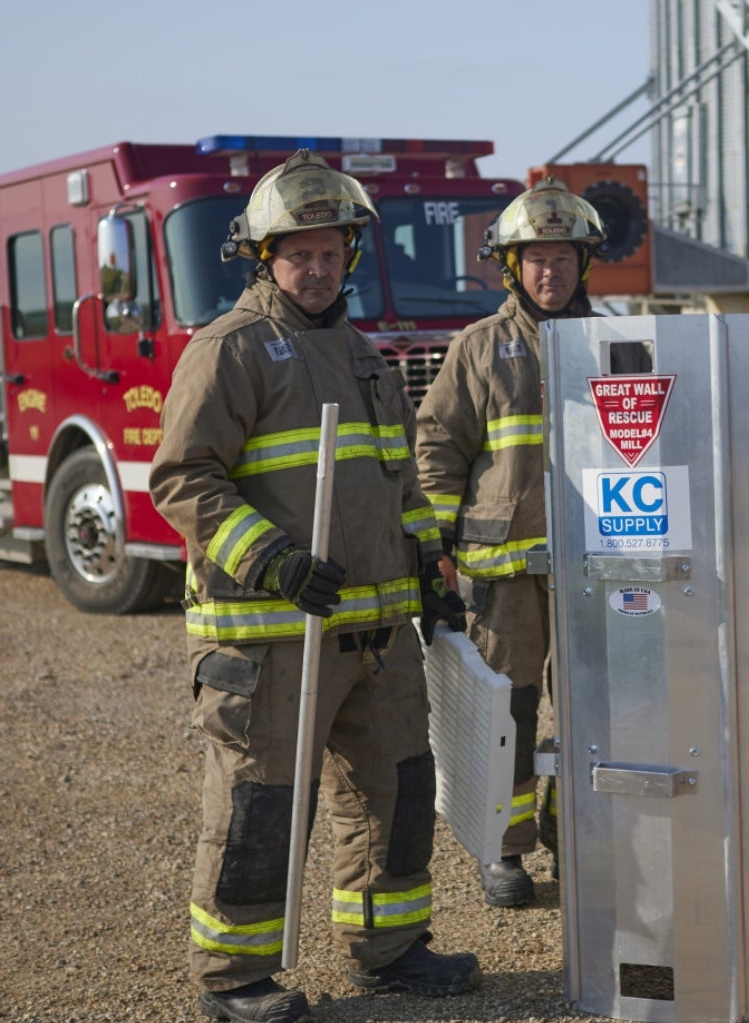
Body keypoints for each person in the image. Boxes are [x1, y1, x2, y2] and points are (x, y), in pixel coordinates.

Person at [151, 149, 476, 1023]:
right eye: (301, 255)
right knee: (261, 803)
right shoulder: (230, 351)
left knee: (394, 791)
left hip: (375, 634)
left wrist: (429, 574)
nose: (320, 269)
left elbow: (399, 482)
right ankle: (235, 977)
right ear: (266, 258)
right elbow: (184, 479)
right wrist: (275, 560)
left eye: (333, 253)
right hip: (270, 637)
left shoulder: (366, 359)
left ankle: (391, 946)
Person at [414, 176, 604, 907]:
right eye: (535, 259)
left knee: (601, 708)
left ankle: (590, 837)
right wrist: (436, 546)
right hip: (504, 578)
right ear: (511, 268)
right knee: (511, 718)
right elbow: (436, 449)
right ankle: (505, 850)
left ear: (581, 264)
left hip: (598, 569)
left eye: (561, 257)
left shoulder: (615, 343)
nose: (549, 271)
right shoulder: (479, 348)